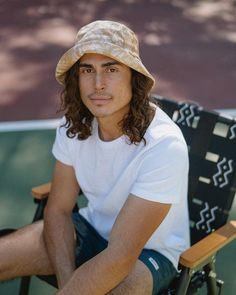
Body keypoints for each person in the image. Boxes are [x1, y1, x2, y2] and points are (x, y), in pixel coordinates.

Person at [0, 20, 190, 295]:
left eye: (111, 69)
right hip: (89, 228)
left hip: (150, 253)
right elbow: (59, 209)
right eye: (87, 70)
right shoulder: (75, 124)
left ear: (133, 78)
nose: (98, 84)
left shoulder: (163, 145)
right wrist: (68, 282)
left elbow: (122, 253)